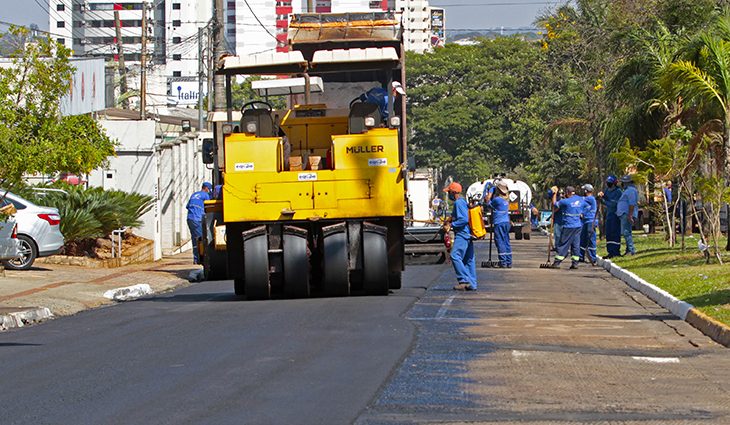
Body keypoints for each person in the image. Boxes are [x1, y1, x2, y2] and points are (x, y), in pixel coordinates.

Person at [443, 182, 477, 291]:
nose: (448, 194)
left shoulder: (458, 203)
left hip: (462, 234)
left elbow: (463, 219)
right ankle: (472, 283)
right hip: (467, 234)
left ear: (453, 193)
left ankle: (464, 280)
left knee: (455, 255)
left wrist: (452, 225)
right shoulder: (462, 202)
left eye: (449, 192)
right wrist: (450, 220)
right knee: (468, 259)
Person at [551, 185, 587, 269]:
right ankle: (575, 263)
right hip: (578, 226)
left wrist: (554, 194)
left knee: (563, 244)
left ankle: (557, 262)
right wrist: (582, 213)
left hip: (568, 226)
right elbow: (588, 206)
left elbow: (554, 204)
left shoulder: (566, 201)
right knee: (575, 244)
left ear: (567, 193)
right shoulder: (581, 200)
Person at [485, 179, 512, 268]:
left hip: (499, 223)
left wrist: (489, 194)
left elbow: (488, 204)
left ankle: (503, 262)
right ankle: (508, 261)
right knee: (506, 241)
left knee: (500, 241)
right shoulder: (506, 200)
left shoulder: (497, 200)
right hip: (506, 222)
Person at [186, 182, 213, 264]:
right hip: (197, 219)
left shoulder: (194, 194)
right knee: (201, 239)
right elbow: (209, 206)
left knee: (195, 239)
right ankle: (201, 259)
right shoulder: (205, 195)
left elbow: (187, 206)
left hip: (190, 219)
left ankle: (196, 258)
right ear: (207, 189)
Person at [598, 175, 622, 258]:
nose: (608, 184)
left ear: (614, 183)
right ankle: (610, 251)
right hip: (608, 215)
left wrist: (604, 200)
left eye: (610, 183)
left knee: (615, 233)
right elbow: (606, 199)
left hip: (615, 215)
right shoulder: (607, 190)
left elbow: (614, 204)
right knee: (609, 233)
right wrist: (601, 197)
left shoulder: (618, 192)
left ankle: (616, 251)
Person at [616, 175, 639, 256]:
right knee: (626, 232)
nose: (622, 184)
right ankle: (628, 249)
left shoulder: (631, 191)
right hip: (624, 214)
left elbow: (632, 204)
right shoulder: (627, 190)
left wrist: (630, 215)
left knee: (626, 232)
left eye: (623, 182)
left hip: (627, 214)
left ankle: (631, 250)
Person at [579, 184, 598, 265]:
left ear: (586, 191)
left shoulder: (591, 199)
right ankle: (580, 256)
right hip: (584, 221)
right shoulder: (586, 200)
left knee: (591, 240)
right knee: (582, 239)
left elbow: (580, 200)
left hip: (591, 221)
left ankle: (593, 257)